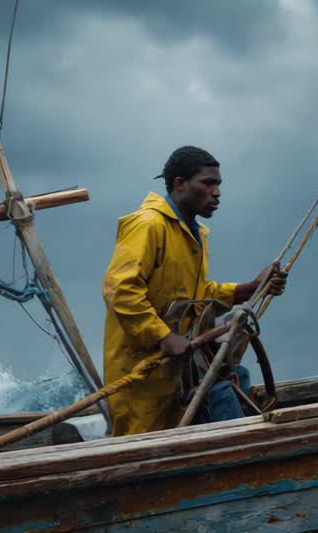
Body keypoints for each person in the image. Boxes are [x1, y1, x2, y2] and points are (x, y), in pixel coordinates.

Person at [101, 146, 287, 437]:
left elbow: (197, 294)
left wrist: (250, 289)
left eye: (219, 185)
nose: (217, 193)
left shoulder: (194, 233)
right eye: (208, 183)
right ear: (180, 183)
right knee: (146, 448)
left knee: (233, 382)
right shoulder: (148, 225)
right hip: (145, 373)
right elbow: (120, 289)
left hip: (181, 370)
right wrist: (162, 336)